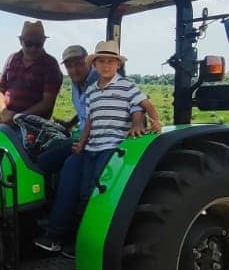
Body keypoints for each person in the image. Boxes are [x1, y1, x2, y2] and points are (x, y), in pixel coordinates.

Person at [34, 40, 161, 255]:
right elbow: (91, 115)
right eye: (69, 65)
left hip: (110, 144)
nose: (74, 69)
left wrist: (142, 123)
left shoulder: (116, 82)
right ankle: (53, 224)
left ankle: (71, 235)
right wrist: (74, 131)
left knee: (79, 178)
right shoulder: (88, 88)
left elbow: (138, 104)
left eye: (78, 63)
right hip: (91, 142)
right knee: (53, 160)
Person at [0, 21, 62, 123]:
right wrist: (4, 112)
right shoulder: (12, 59)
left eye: (38, 44)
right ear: (21, 41)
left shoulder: (50, 64)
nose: (33, 48)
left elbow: (47, 102)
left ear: (43, 42)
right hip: (6, 120)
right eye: (29, 43)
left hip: (33, 124)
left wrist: (18, 117)